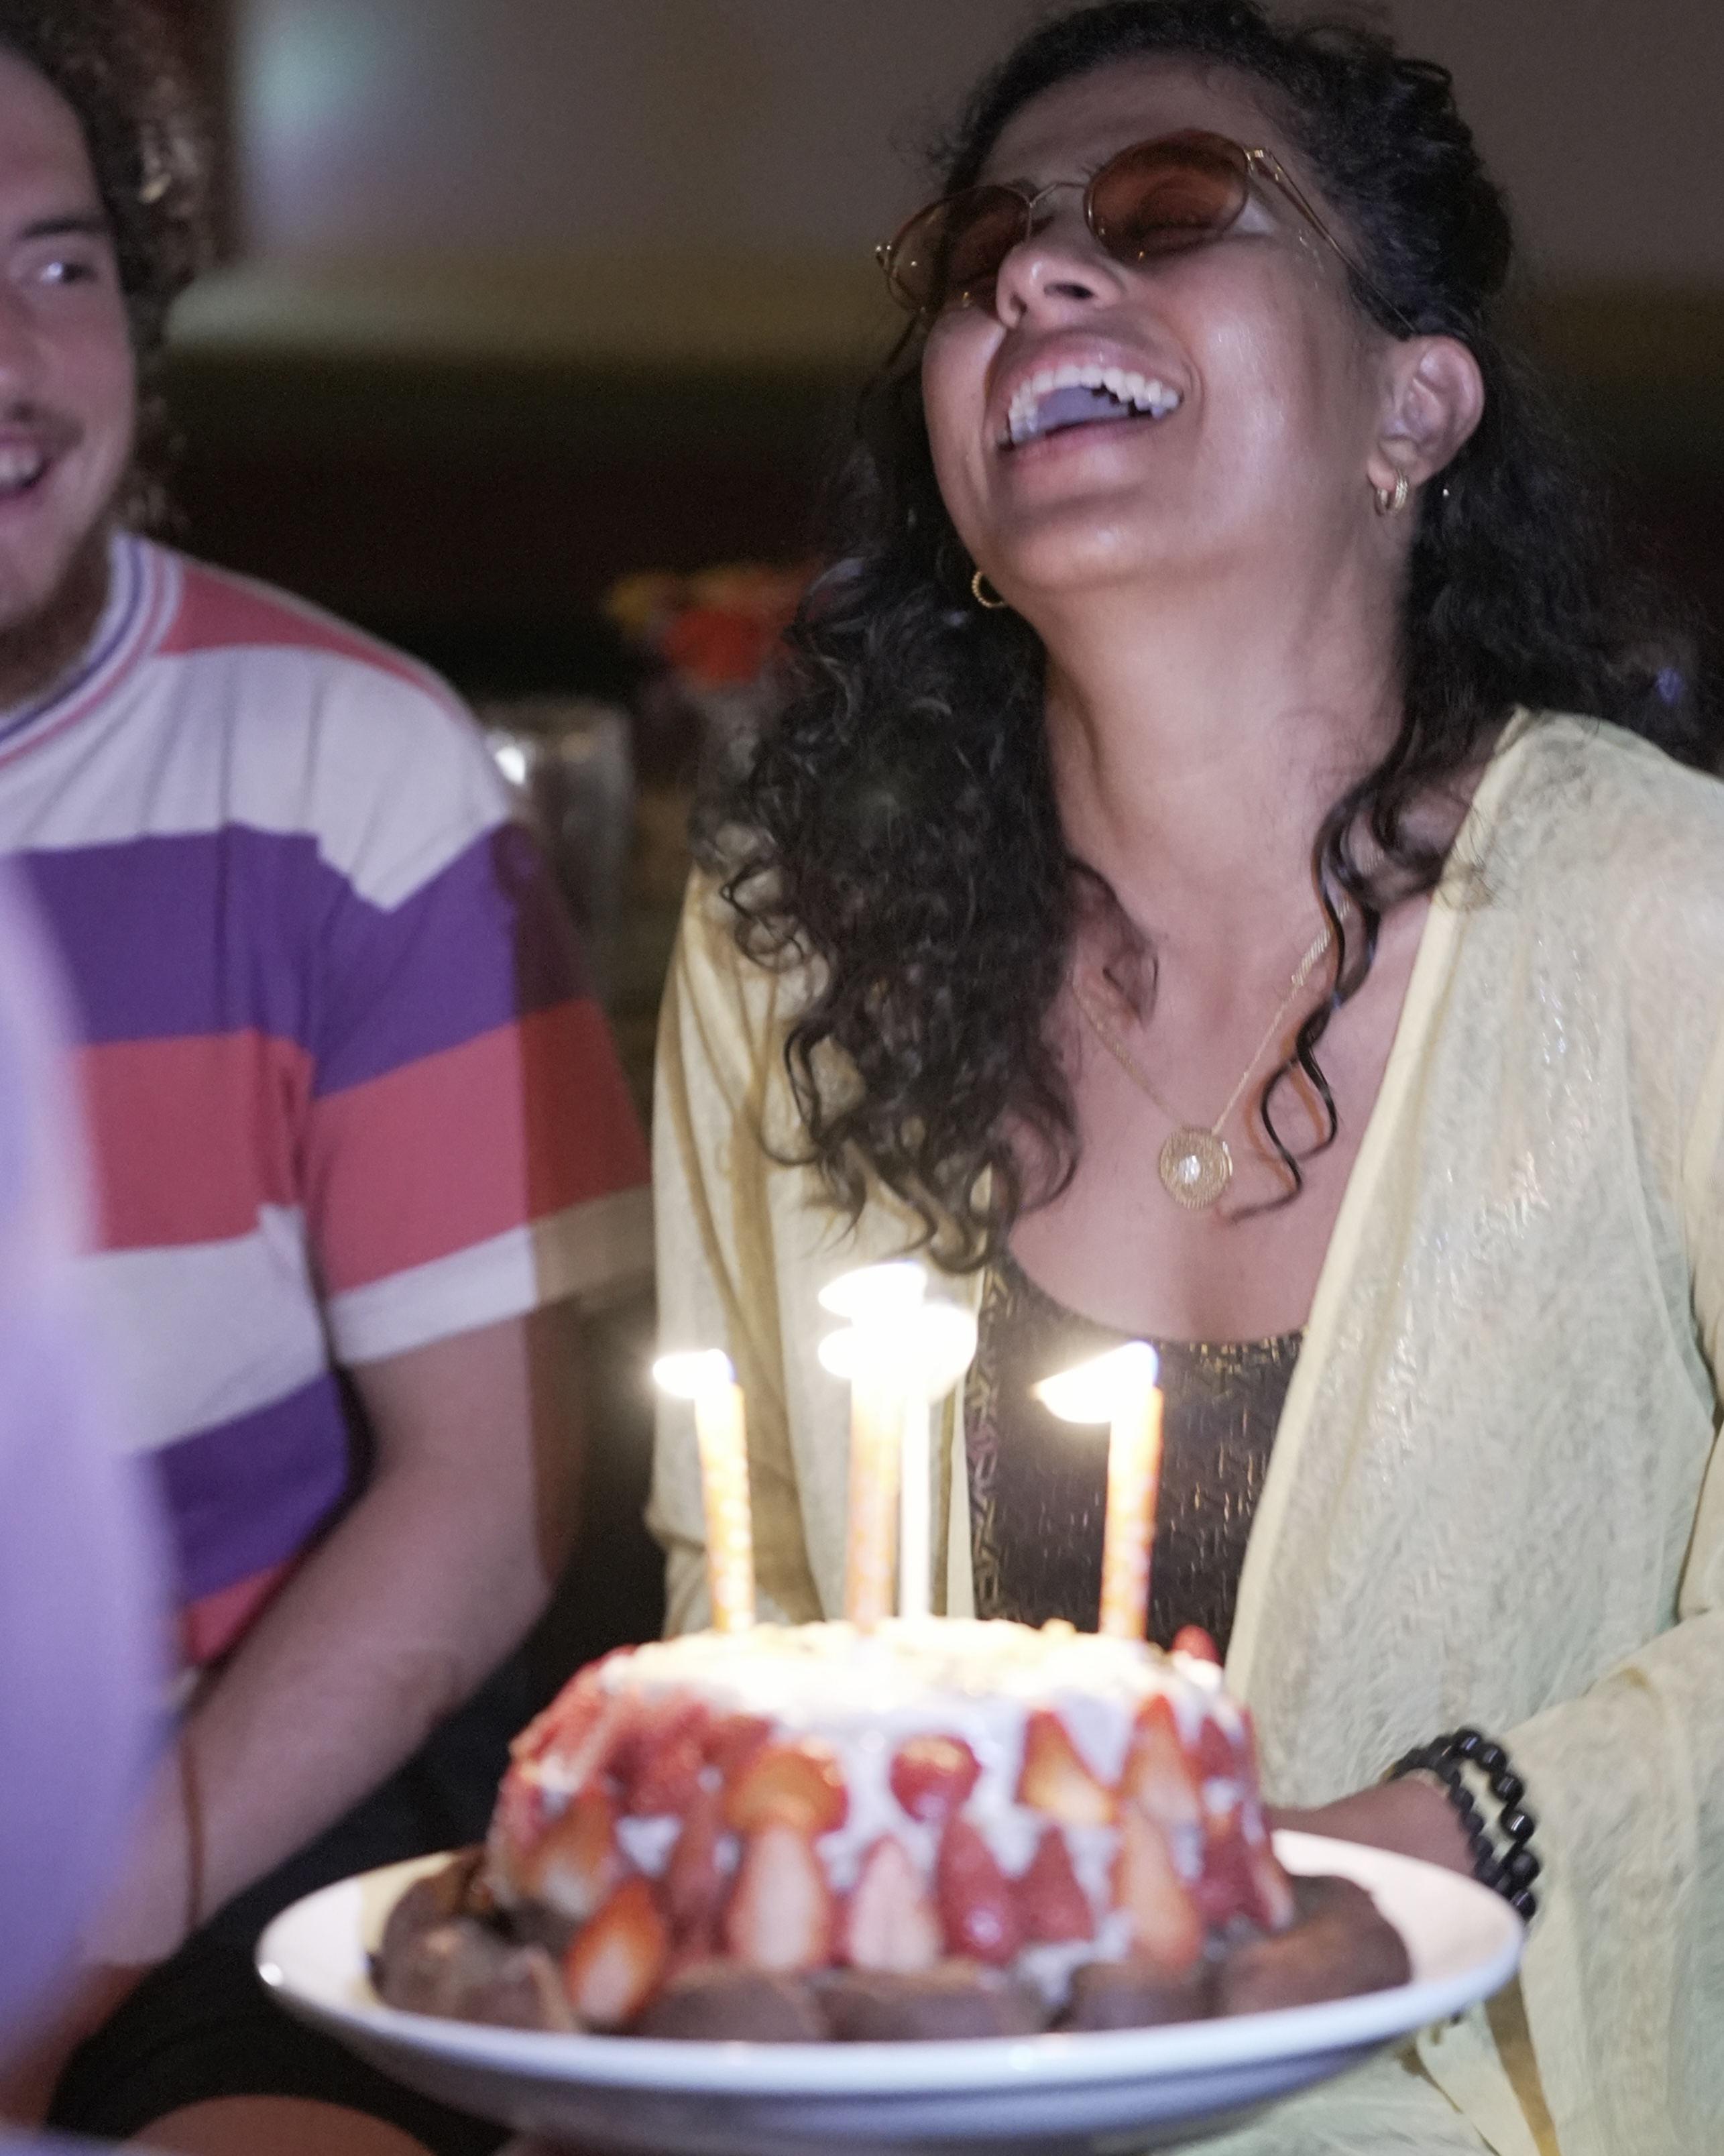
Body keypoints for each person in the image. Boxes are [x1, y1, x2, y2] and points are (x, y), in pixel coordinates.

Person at [650, 1, 1723, 2149]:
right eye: (981, 256)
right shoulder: (790, 939)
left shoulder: (1661, 910)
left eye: (1168, 211)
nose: (1039, 274)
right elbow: (735, 1567)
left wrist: (1402, 1857)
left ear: (1410, 405)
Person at [0, 5, 650, 2152]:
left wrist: (62, 1952)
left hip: (220, 1795)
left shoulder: (343, 771)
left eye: (60, 263)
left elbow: (484, 1499)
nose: (10, 358)